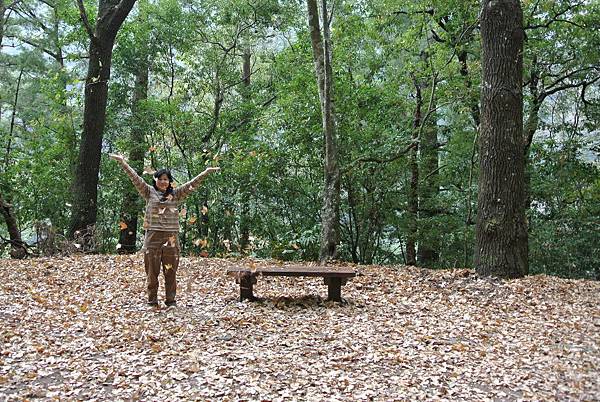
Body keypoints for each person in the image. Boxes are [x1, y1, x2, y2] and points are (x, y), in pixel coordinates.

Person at [110, 153, 220, 308]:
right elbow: (135, 178)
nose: (163, 182)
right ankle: (152, 301)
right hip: (152, 237)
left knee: (171, 272)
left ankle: (171, 301)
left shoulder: (175, 194)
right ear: (155, 180)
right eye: (160, 179)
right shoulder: (148, 191)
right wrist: (123, 162)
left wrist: (205, 172)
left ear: (169, 182)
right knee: (151, 272)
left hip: (171, 237)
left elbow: (192, 185)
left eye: (166, 179)